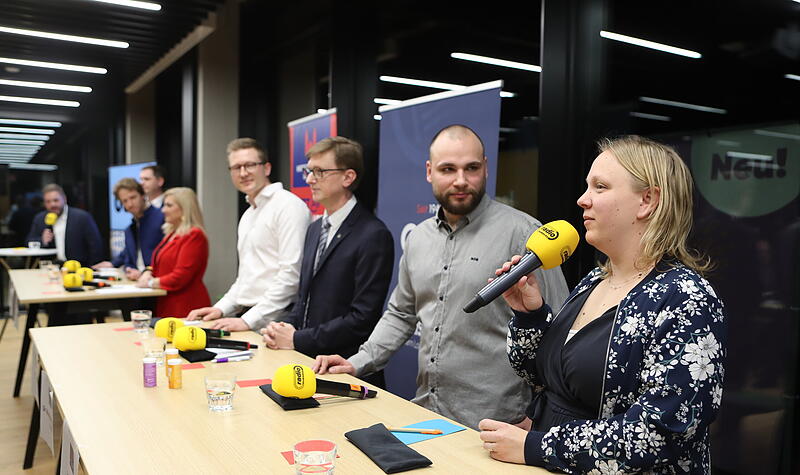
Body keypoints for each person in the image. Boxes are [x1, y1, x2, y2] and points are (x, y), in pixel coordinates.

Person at [477, 135, 726, 473]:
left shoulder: (686, 298)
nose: (582, 200)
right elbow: (544, 378)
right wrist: (530, 316)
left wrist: (538, 446)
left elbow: (659, 433)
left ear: (647, 201)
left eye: (600, 187)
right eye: (586, 187)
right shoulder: (594, 281)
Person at [313, 125, 569, 429]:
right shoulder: (419, 238)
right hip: (426, 414)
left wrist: (539, 414)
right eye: (448, 169)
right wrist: (356, 362)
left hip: (497, 424)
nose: (461, 180)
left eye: (471, 168)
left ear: (486, 168)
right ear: (429, 171)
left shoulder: (524, 234)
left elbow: (561, 331)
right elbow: (401, 314)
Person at [261, 137, 394, 372]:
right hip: (304, 362)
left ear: (348, 177)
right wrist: (282, 328)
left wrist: (296, 339)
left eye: (320, 171)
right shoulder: (314, 228)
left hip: (343, 369)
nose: (311, 179)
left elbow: (362, 319)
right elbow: (305, 299)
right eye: (310, 171)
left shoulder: (373, 234)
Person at [186, 138, 310, 331]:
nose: (243, 173)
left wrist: (248, 320)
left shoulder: (288, 206)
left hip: (279, 319)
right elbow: (246, 277)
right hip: (249, 316)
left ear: (266, 168)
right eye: (236, 167)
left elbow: (291, 275)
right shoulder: (248, 214)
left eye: (250, 165)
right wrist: (220, 308)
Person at [136, 187, 210, 318]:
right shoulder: (172, 233)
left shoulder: (194, 235)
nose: (163, 210)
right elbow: (159, 263)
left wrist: (150, 283)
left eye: (169, 205)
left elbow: (181, 276)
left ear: (184, 208)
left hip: (185, 306)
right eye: (164, 205)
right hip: (167, 302)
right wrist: (148, 271)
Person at [93, 178, 164, 280]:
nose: (130, 204)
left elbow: (167, 255)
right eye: (125, 201)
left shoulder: (162, 217)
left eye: (133, 197)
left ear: (143, 195)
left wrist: (145, 272)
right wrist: (111, 264)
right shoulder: (131, 229)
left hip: (156, 281)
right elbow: (129, 252)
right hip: (137, 282)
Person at [27, 184, 103, 265]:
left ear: (64, 199)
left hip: (78, 268)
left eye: (56, 200)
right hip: (50, 268)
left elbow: (96, 246)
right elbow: (29, 242)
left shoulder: (82, 217)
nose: (52, 205)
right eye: (48, 201)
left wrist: (92, 268)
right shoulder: (40, 219)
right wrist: (42, 240)